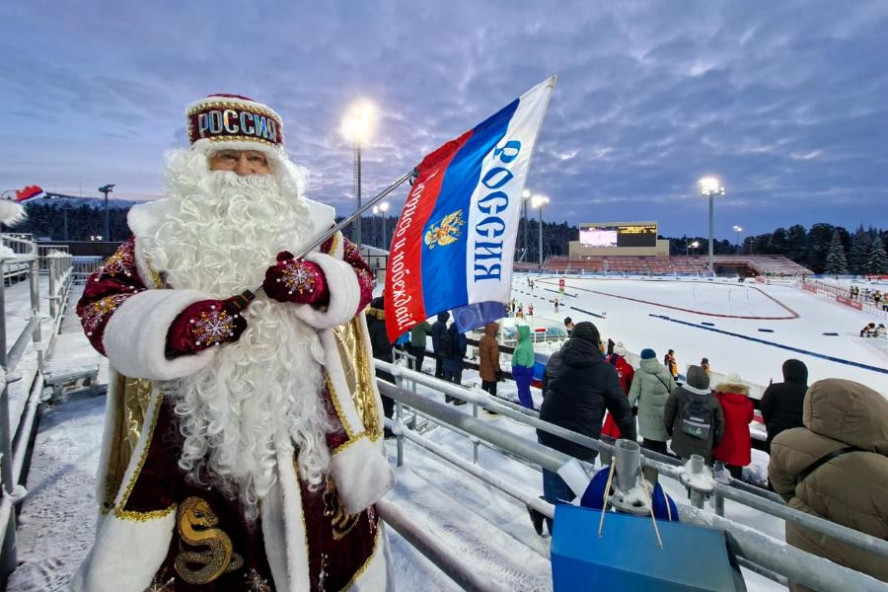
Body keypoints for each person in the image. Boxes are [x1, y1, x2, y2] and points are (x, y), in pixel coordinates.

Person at [72, 95, 393, 590]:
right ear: (199, 164)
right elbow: (98, 304)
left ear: (276, 168)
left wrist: (318, 284)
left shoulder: (316, 230)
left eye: (257, 158)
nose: (243, 170)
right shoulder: (153, 237)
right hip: (190, 448)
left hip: (304, 438)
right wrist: (177, 326)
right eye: (228, 156)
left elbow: (361, 280)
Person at [769, 379, 888, 590]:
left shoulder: (786, 444)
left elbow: (784, 489)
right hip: (867, 578)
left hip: (806, 564)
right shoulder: (880, 472)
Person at [533, 321, 636, 534]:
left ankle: (542, 510)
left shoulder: (555, 359)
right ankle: (560, 538)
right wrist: (630, 444)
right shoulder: (605, 371)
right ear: (595, 343)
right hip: (582, 441)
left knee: (560, 491)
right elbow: (623, 411)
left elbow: (546, 390)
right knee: (577, 490)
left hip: (550, 434)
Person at [664, 365, 724, 462]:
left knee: (680, 469)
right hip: (704, 446)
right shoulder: (713, 400)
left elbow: (668, 415)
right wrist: (715, 442)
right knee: (698, 473)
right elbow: (720, 424)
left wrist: (670, 431)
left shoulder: (678, 393)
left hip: (681, 442)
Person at [628, 348, 676, 455]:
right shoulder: (665, 371)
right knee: (661, 446)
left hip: (647, 418)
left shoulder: (640, 373)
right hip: (663, 416)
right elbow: (675, 392)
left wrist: (627, 409)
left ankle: (649, 469)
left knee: (648, 447)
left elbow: (633, 395)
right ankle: (662, 468)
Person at [711, 373, 754, 479]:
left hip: (721, 440)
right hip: (740, 444)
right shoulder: (748, 403)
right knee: (735, 476)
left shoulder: (719, 399)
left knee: (712, 472)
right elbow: (749, 419)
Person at [760, 359, 809, 452]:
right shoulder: (810, 393)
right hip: (798, 438)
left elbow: (765, 408)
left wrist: (771, 424)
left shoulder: (774, 389)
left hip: (775, 434)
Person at [366, 295, 396, 438]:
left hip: (370, 365)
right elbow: (385, 346)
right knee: (387, 398)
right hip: (382, 367)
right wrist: (393, 337)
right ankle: (386, 428)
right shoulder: (381, 326)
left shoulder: (367, 322)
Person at [601, 342, 635, 441]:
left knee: (610, 413)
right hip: (620, 395)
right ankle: (615, 435)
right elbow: (632, 381)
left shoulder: (605, 363)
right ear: (623, 354)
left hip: (605, 393)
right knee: (618, 415)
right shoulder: (627, 368)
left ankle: (606, 433)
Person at [511, 324, 535, 410]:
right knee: (526, 392)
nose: (516, 334)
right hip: (528, 372)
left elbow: (521, 364)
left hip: (523, 374)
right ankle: (530, 409)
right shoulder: (526, 342)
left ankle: (526, 413)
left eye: (518, 333)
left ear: (523, 334)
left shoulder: (523, 347)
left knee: (523, 394)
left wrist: (514, 372)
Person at [442, 323, 467, 401]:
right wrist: (463, 354)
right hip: (456, 360)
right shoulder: (461, 334)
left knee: (447, 380)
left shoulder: (447, 332)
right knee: (457, 381)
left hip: (446, 360)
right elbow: (462, 347)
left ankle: (448, 397)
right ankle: (457, 399)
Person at [478, 321, 502, 397]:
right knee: (492, 390)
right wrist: (497, 370)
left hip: (483, 368)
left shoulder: (482, 339)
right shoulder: (493, 342)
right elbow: (494, 359)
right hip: (491, 371)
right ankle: (491, 407)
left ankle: (483, 404)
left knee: (484, 387)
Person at [430, 311, 450, 379]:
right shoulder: (443, 325)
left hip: (435, 346)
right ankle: (443, 377)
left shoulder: (435, 324)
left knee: (438, 362)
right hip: (441, 347)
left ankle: (437, 375)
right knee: (443, 363)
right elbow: (445, 337)